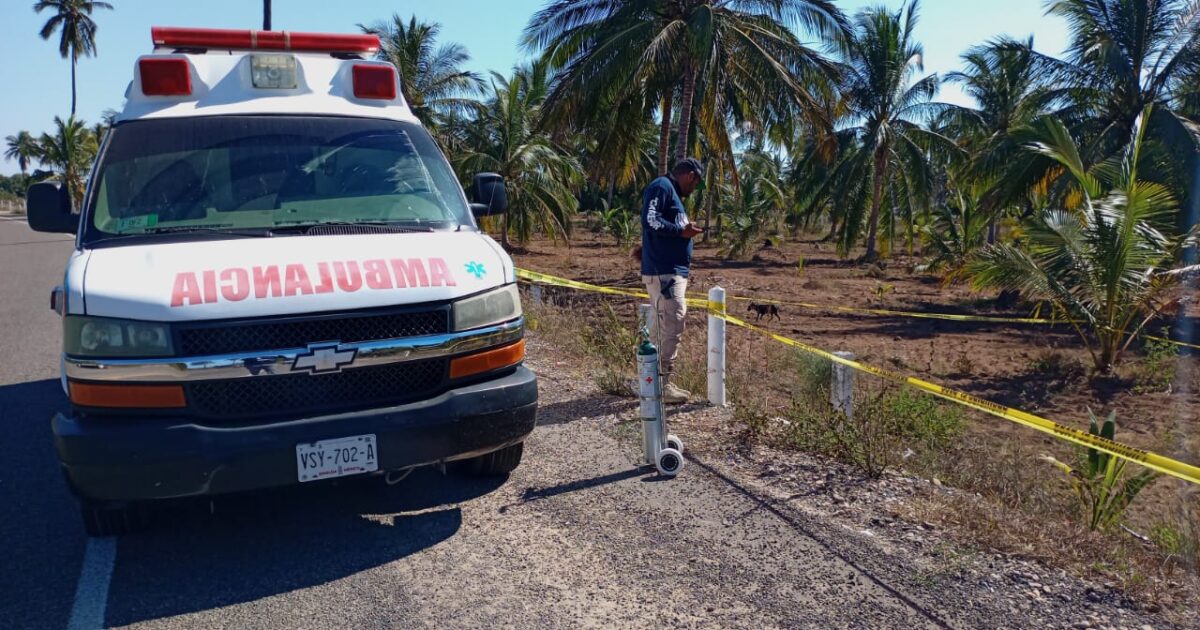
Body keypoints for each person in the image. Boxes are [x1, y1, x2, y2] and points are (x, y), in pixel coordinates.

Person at [640, 157, 705, 404]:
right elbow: (651, 220)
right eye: (695, 184)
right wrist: (681, 231)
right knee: (673, 323)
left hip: (668, 270)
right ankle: (662, 383)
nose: (694, 189)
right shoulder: (662, 186)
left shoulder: (671, 193)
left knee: (660, 326)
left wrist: (684, 229)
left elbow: (660, 223)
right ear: (691, 176)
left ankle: (649, 378)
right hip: (665, 272)